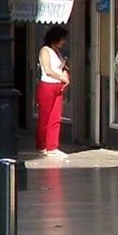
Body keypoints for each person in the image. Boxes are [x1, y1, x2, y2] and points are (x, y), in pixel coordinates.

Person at [36, 24, 71, 158]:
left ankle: (52, 146)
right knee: (44, 117)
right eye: (62, 38)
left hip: (58, 86)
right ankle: (41, 145)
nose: (64, 41)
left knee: (55, 118)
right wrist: (60, 76)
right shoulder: (45, 50)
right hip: (48, 86)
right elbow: (48, 70)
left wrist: (65, 75)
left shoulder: (57, 51)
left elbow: (59, 68)